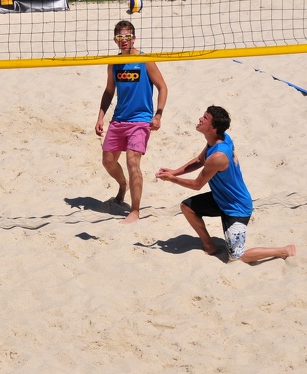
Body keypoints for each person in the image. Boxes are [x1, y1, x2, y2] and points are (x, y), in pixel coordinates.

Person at [156, 106, 296, 262]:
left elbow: (197, 185)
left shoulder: (219, 155)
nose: (200, 119)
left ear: (214, 128)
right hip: (220, 198)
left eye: (205, 118)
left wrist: (172, 179)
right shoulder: (219, 139)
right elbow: (199, 160)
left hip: (236, 207)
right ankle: (210, 245)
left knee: (238, 257)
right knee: (187, 207)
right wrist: (174, 172)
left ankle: (283, 250)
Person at [95, 20, 168, 224]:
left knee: (132, 161)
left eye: (128, 37)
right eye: (120, 37)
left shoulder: (145, 60)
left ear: (133, 38)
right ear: (115, 40)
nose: (124, 41)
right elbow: (109, 91)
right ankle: (123, 185)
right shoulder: (114, 62)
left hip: (141, 120)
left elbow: (162, 87)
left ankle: (135, 211)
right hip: (119, 119)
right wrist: (100, 116)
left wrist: (158, 114)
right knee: (108, 161)